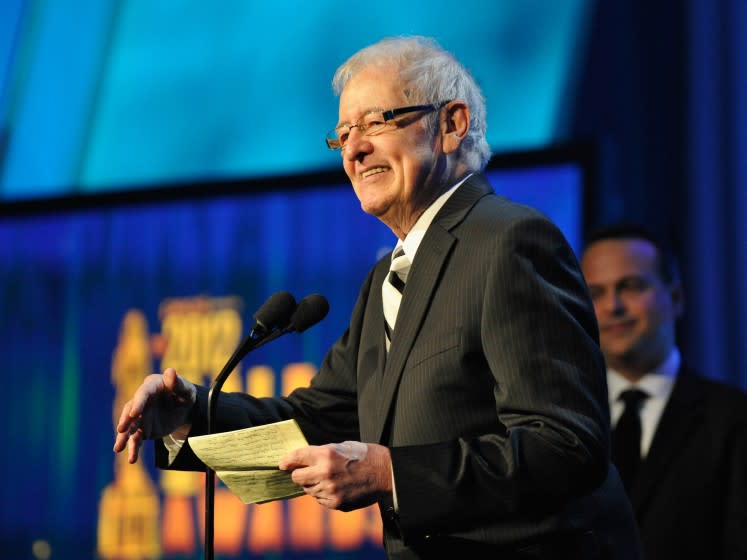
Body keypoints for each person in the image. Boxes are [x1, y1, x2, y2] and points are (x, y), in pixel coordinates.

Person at [114, 36, 641, 559]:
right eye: (343, 133)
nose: (353, 149)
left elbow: (566, 447)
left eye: (375, 123)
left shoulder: (509, 241)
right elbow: (316, 422)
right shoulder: (388, 276)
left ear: (451, 125)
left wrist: (390, 473)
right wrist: (192, 414)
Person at [581, 223, 747, 560]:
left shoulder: (734, 418)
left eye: (631, 286)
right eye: (595, 292)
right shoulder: (568, 419)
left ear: (676, 298)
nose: (612, 306)